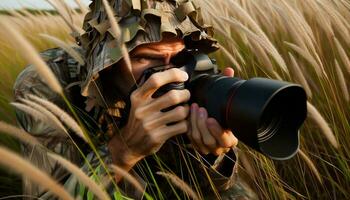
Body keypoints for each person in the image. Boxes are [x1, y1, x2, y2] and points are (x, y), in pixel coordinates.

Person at [14, 0, 257, 199]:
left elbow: (208, 188)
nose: (169, 74)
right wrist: (124, 150)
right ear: (108, 62)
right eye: (147, 58)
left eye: (180, 56)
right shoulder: (46, 82)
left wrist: (212, 156)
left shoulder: (185, 76)